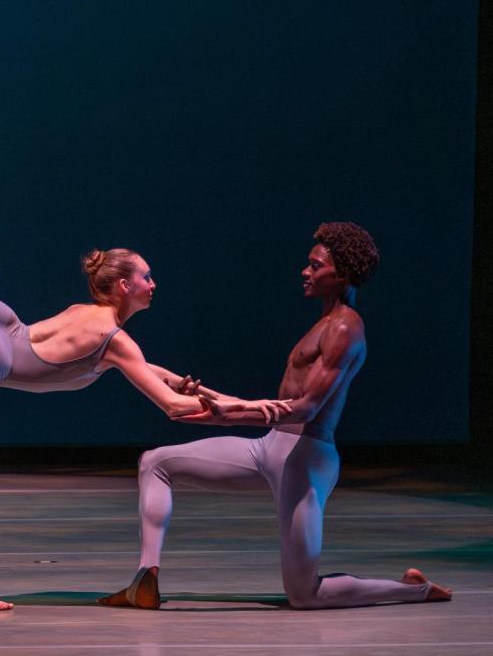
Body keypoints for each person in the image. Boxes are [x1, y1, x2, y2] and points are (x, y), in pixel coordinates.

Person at [0, 42, 280, 610]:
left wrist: (198, 388)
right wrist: (258, 409)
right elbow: (173, 408)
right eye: (146, 277)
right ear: (119, 288)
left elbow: (151, 376)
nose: (154, 284)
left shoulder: (102, 330)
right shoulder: (115, 339)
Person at [100, 223, 450, 609]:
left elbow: (307, 408)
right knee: (156, 463)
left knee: (304, 594)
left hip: (305, 460)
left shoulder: (346, 328)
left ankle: (416, 589)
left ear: (343, 274)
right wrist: (209, 399)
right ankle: (145, 580)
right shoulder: (322, 324)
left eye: (315, 266)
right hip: (272, 448)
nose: (306, 271)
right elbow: (276, 408)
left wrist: (232, 413)